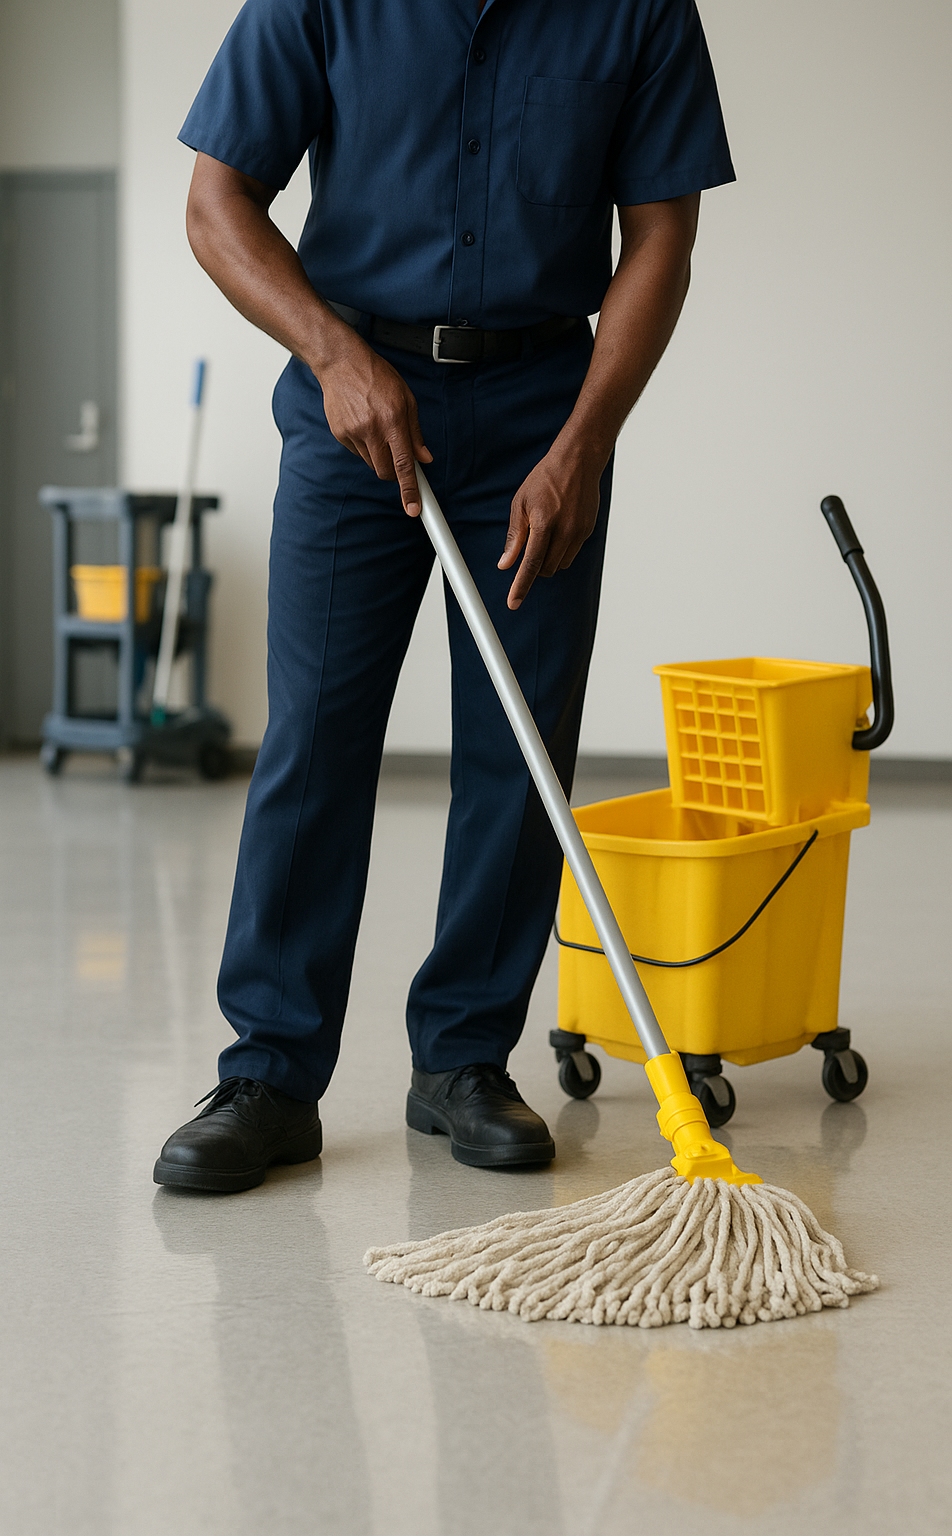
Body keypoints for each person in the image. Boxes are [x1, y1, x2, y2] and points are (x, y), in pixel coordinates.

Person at [154, 0, 734, 1193]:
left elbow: (660, 241)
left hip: (542, 417)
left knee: (519, 750)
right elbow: (218, 207)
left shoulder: (637, 12)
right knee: (313, 740)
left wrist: (583, 445)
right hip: (350, 402)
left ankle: (463, 1059)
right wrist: (330, 355)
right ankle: (269, 1070)